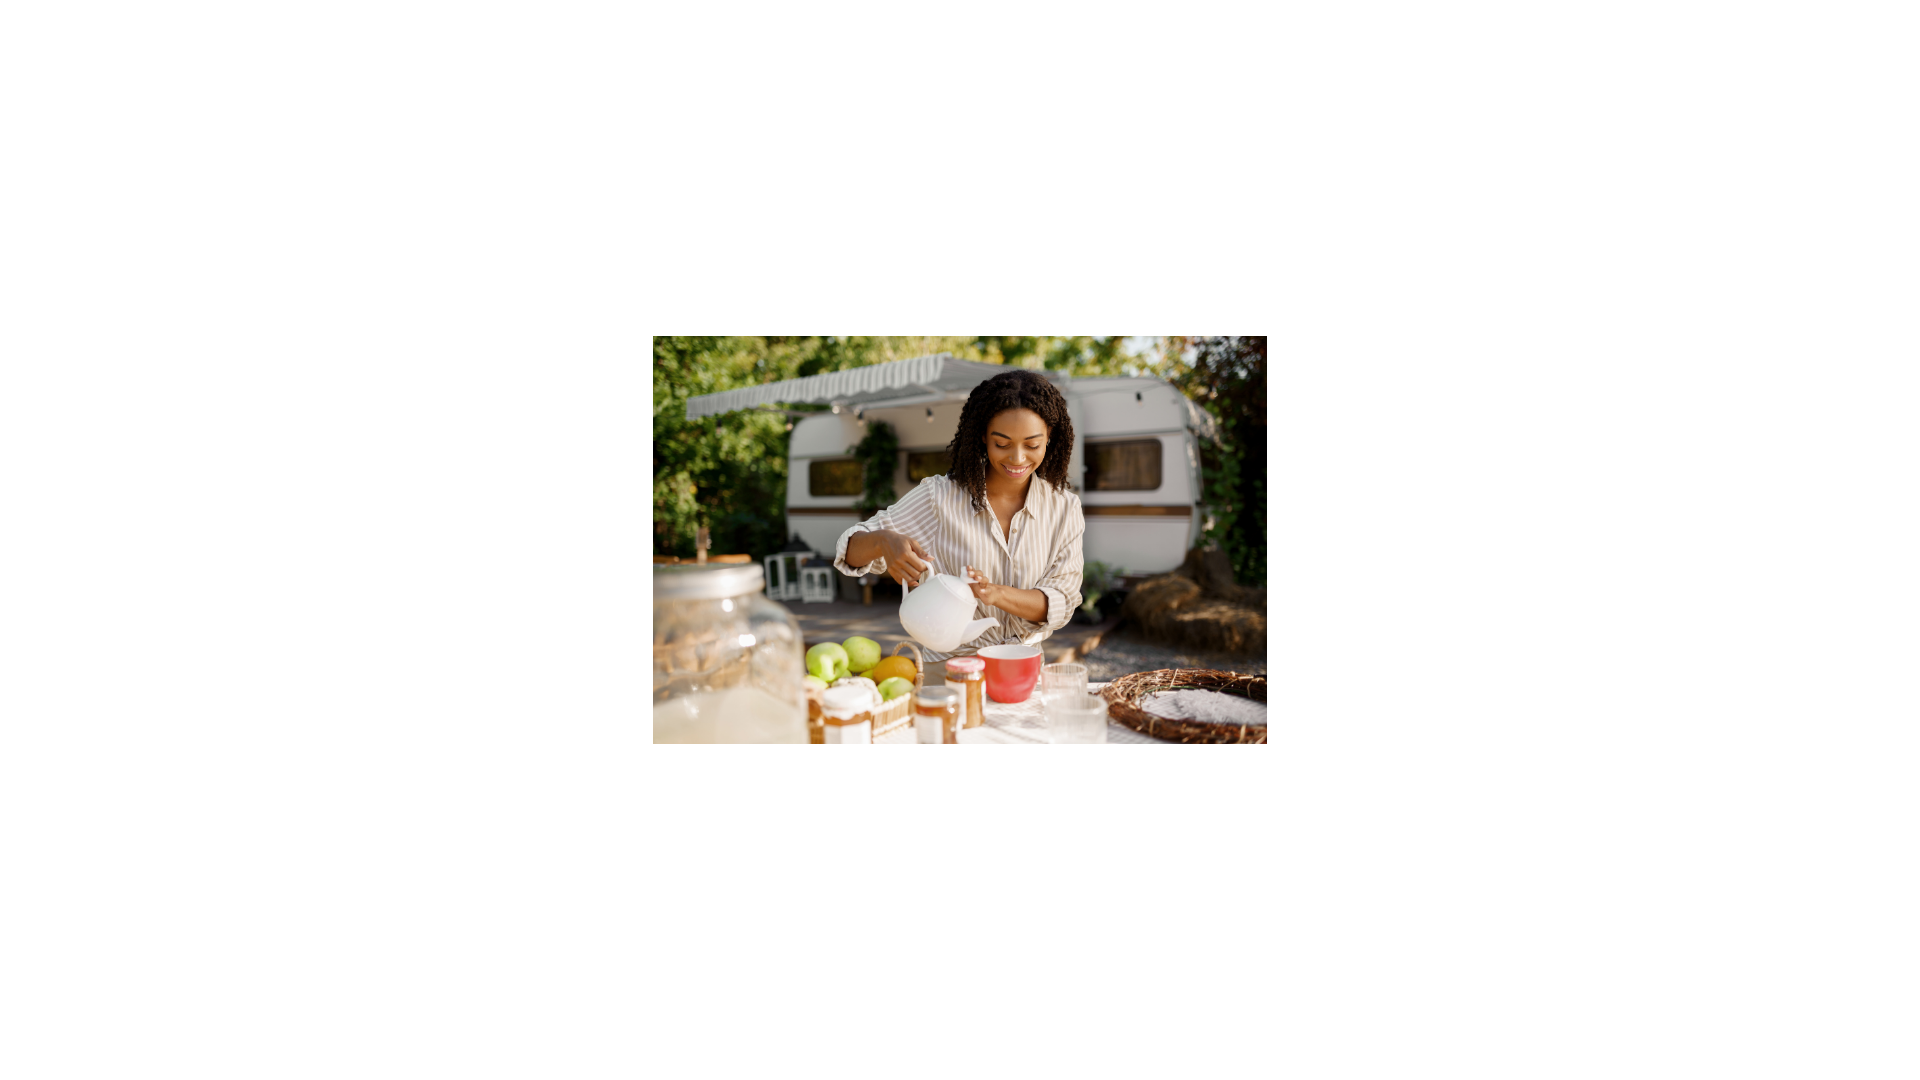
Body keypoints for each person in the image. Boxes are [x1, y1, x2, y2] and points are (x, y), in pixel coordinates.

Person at [835, 368, 1085, 666]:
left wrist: (997, 594)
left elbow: (1062, 602)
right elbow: (849, 553)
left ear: (1050, 439)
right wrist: (882, 541)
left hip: (1024, 669)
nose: (1018, 458)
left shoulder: (1064, 508)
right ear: (982, 436)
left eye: (1032, 445)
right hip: (949, 671)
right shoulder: (940, 497)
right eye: (1002, 444)